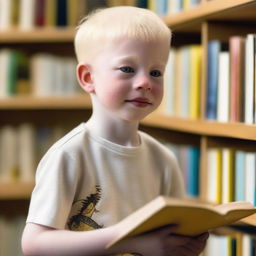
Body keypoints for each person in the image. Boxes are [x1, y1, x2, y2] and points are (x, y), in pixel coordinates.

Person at [21, 6, 208, 256]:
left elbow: (167, 238)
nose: (145, 82)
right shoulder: (69, 155)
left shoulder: (163, 159)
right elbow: (35, 244)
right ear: (88, 77)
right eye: (127, 69)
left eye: (156, 72)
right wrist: (129, 240)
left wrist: (183, 245)